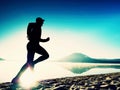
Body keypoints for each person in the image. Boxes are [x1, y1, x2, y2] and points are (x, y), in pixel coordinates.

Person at [11, 17, 50, 84]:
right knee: (45, 56)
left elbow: (38, 38)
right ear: (39, 22)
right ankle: (19, 77)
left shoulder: (38, 27)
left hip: (34, 45)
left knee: (29, 63)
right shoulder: (35, 26)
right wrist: (28, 34)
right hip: (32, 45)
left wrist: (45, 40)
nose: (43, 23)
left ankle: (16, 78)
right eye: (42, 22)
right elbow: (30, 24)